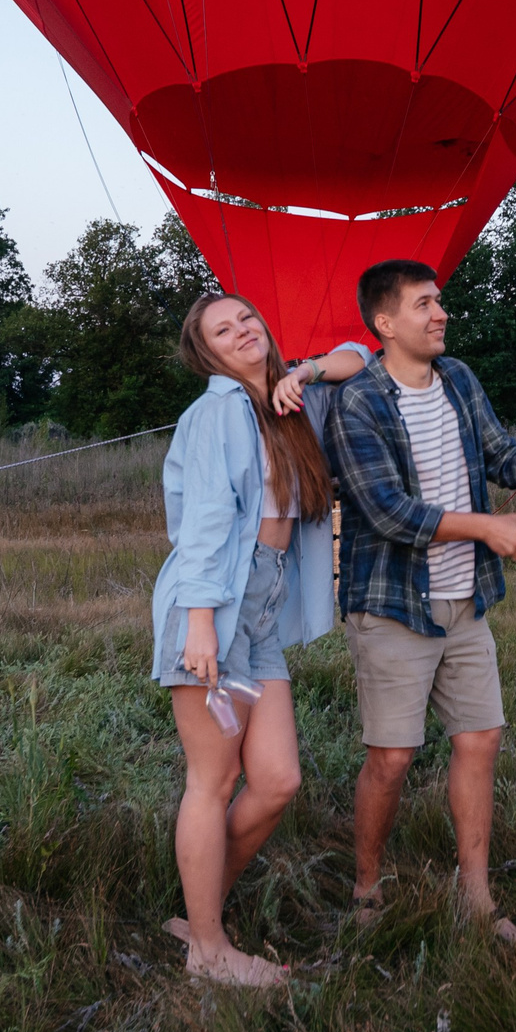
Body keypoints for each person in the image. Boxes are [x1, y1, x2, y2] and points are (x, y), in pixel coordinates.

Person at [327, 260, 516, 941]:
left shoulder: (460, 379)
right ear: (384, 323)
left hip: (464, 599)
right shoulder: (360, 401)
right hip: (392, 603)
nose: (440, 313)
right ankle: (365, 888)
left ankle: (476, 893)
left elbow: (503, 457)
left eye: (439, 301)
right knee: (392, 755)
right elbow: (388, 511)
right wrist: (489, 527)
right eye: (423, 304)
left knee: (481, 738)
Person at [150, 292, 370, 986]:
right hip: (214, 602)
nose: (242, 329)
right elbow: (207, 523)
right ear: (206, 352)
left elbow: (360, 358)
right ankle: (208, 951)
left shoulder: (283, 404)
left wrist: (301, 372)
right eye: (223, 328)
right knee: (212, 781)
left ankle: (199, 907)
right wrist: (202, 622)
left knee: (276, 779)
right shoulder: (218, 412)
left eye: (248, 317)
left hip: (265, 606)